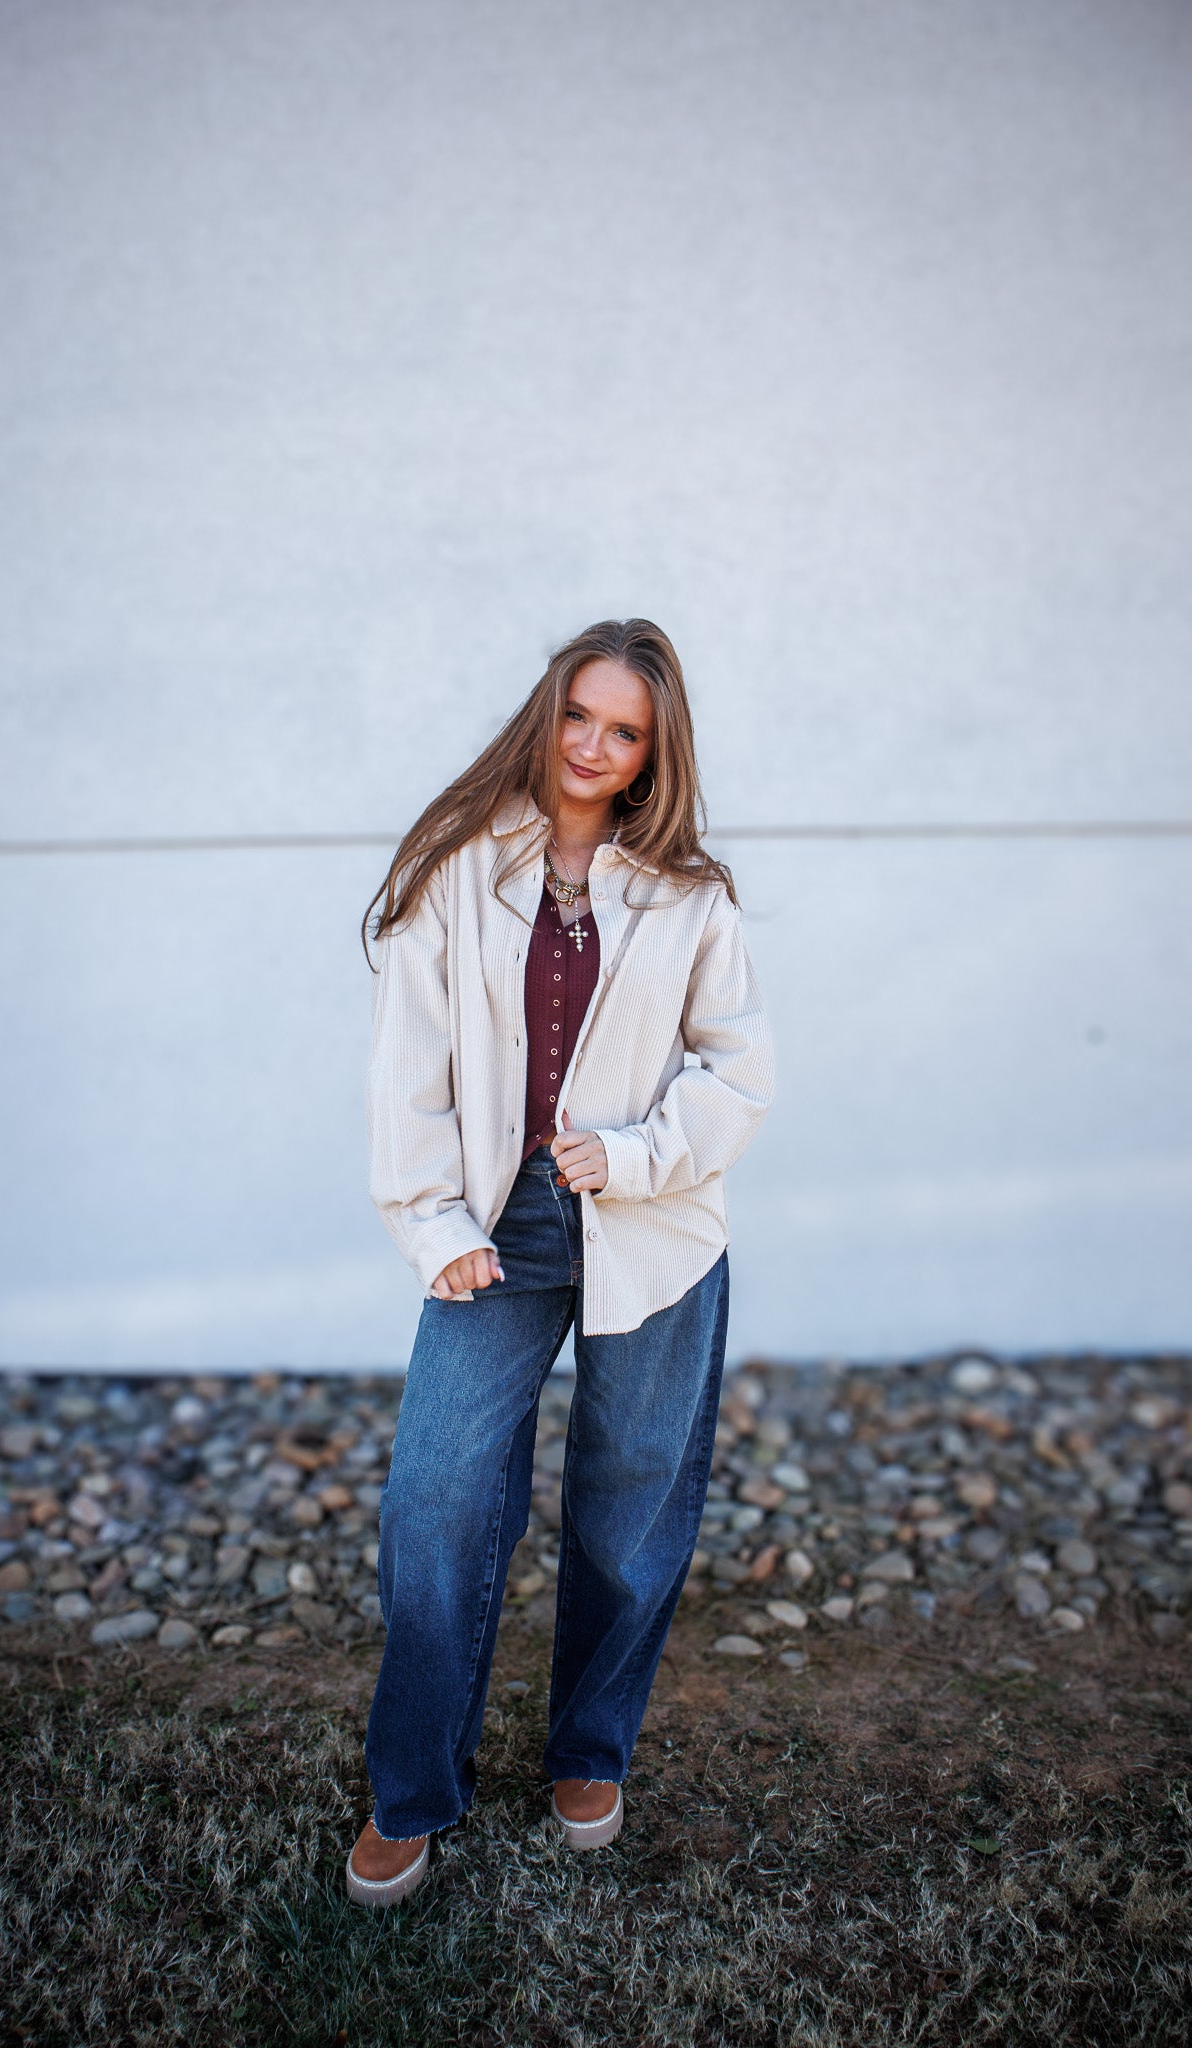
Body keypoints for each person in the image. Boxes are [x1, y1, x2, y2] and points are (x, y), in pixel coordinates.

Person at [346, 617, 775, 1907]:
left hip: (652, 1225)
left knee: (630, 1506)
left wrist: (636, 1157)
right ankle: (414, 1787)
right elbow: (407, 1078)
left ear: (654, 751)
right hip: (495, 1226)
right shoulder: (455, 870)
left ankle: (589, 1750)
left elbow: (741, 1074)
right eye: (578, 715)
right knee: (437, 1499)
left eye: (624, 730)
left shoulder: (691, 896)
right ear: (548, 712)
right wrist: (435, 1226)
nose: (593, 746)